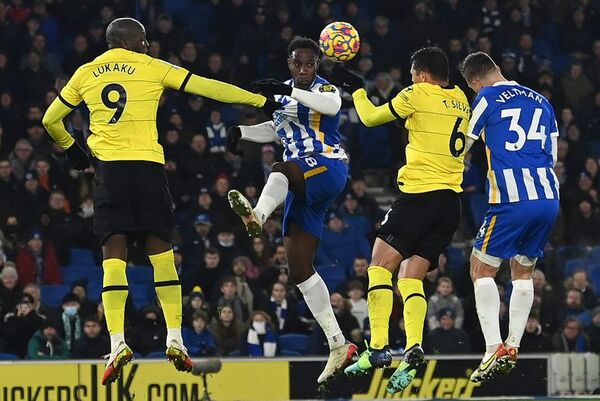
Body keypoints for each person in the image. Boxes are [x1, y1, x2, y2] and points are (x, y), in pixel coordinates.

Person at [41, 17, 279, 385]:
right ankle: (175, 338)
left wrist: (73, 149)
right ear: (132, 42)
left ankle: (118, 342)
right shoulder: (153, 67)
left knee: (113, 257)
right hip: (148, 170)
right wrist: (260, 99)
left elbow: (51, 119)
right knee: (161, 254)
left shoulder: (85, 72)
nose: (149, 45)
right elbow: (208, 87)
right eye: (145, 40)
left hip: (110, 173)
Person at [331, 47, 470, 394]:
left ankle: (378, 347)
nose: (409, 81)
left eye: (411, 75)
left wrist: (358, 88)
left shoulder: (417, 92)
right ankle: (413, 347)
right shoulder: (461, 99)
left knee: (378, 266)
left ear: (421, 75)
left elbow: (369, 118)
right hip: (451, 203)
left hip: (420, 196)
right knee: (411, 277)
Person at [225, 37, 356, 384]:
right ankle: (339, 343)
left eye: (309, 64)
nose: (303, 70)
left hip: (326, 167)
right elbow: (277, 127)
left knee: (281, 169)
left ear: (316, 66)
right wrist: (242, 131)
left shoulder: (323, 88)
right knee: (299, 270)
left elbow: (329, 106)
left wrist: (288, 92)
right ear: (289, 63)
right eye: (297, 63)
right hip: (303, 181)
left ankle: (257, 216)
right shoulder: (283, 95)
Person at [458, 51, 560, 382]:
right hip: (547, 195)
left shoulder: (485, 98)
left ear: (474, 83)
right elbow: (553, 155)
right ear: (498, 69)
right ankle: (513, 344)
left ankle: (492, 347)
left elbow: (462, 143)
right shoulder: (542, 101)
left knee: (480, 268)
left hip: (512, 198)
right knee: (523, 271)